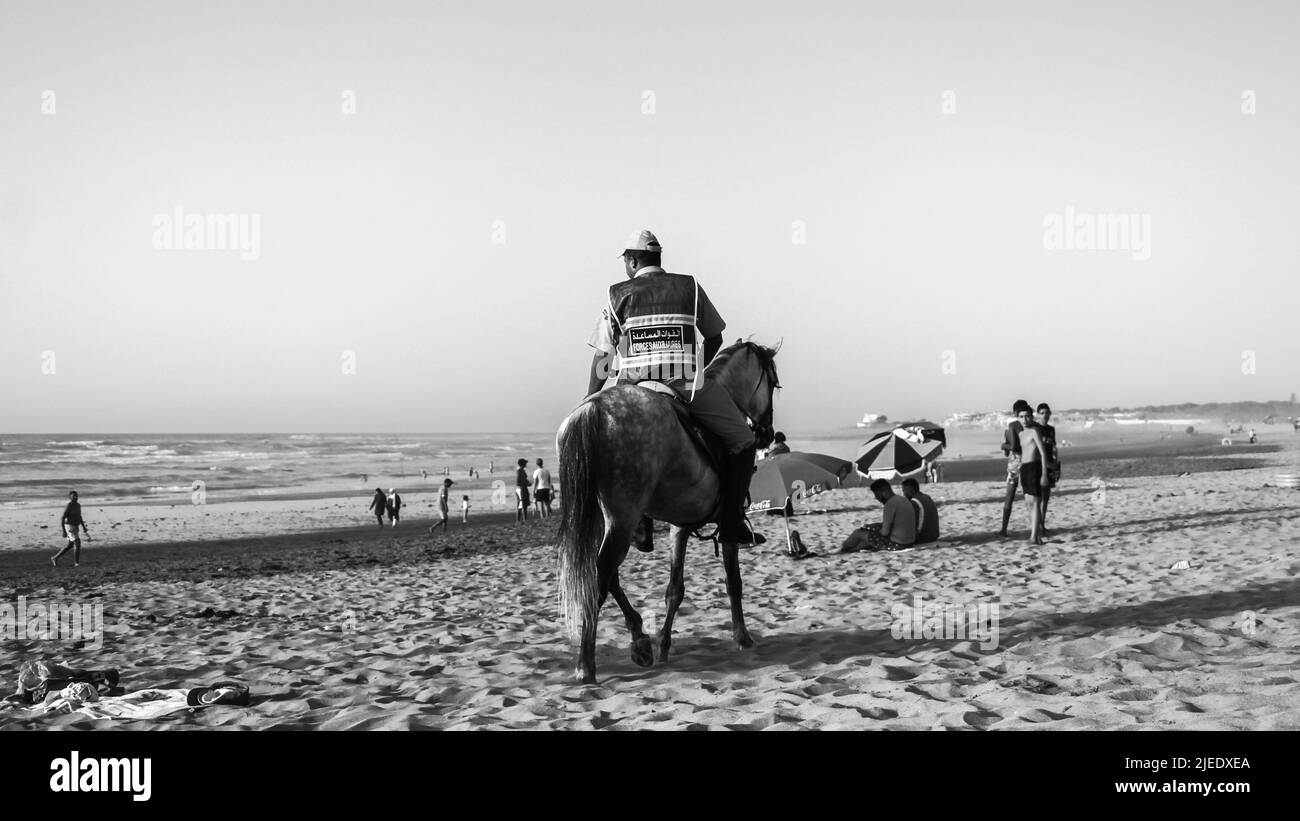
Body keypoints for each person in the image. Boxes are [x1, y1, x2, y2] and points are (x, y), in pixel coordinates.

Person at [586, 228, 758, 552]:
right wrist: (696, 371)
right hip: (685, 383)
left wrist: (589, 395)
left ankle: (637, 520)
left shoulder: (616, 294)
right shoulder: (690, 287)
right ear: (658, 257)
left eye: (626, 260)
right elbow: (716, 338)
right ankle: (732, 521)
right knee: (744, 441)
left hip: (632, 385)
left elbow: (603, 356)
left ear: (633, 260)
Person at [839, 479, 917, 552]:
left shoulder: (890, 504)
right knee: (867, 536)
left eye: (877, 494)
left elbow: (884, 533)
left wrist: (874, 530)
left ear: (883, 492)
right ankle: (855, 549)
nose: (876, 498)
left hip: (898, 544)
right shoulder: (902, 499)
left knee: (858, 533)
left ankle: (842, 551)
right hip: (910, 542)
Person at [1017, 404, 1051, 545]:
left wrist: (1044, 473)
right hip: (1024, 468)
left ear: (1031, 417)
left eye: (1027, 416)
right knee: (1028, 503)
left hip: (1034, 467)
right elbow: (1022, 453)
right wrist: (1019, 473)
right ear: (1017, 418)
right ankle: (1036, 536)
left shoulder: (1034, 431)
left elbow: (1043, 453)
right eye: (1021, 417)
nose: (1024, 419)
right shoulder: (1021, 433)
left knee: (1036, 501)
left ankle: (1034, 537)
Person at [998, 400, 1031, 537]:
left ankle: (1004, 529)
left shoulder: (1013, 425)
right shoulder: (1031, 425)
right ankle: (1035, 527)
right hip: (1029, 460)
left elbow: (1013, 447)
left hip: (1015, 463)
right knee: (1029, 497)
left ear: (1014, 412)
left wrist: (1003, 446)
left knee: (1009, 497)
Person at [1036, 403, 1060, 532]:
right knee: (1038, 498)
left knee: (1046, 498)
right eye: (1042, 413)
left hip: (1051, 465)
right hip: (1039, 465)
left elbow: (1054, 446)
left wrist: (1056, 461)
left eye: (1046, 412)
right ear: (1038, 414)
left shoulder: (1051, 429)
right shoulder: (1036, 428)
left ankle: (1042, 525)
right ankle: (1037, 525)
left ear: (1050, 414)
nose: (1045, 415)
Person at [52, 490, 89, 567]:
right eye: (73, 496)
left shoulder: (78, 505)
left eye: (76, 496)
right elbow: (63, 518)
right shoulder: (69, 506)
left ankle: (55, 558)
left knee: (70, 545)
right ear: (70, 497)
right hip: (69, 526)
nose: (75, 497)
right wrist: (64, 531)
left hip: (75, 526)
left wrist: (84, 527)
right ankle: (76, 563)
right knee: (77, 542)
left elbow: (79, 516)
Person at [901, 478, 940, 543]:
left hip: (922, 539)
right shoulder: (927, 497)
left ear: (911, 490)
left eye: (904, 491)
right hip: (934, 537)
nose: (904, 494)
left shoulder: (914, 503)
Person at [515, 458, 531, 523]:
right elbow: (518, 482)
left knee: (524, 505)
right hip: (521, 489)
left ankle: (523, 520)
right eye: (525, 463)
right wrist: (526, 484)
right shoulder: (519, 471)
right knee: (521, 505)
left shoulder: (522, 471)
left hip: (523, 488)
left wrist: (527, 483)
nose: (526, 464)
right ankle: (519, 520)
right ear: (522, 464)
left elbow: (524, 480)